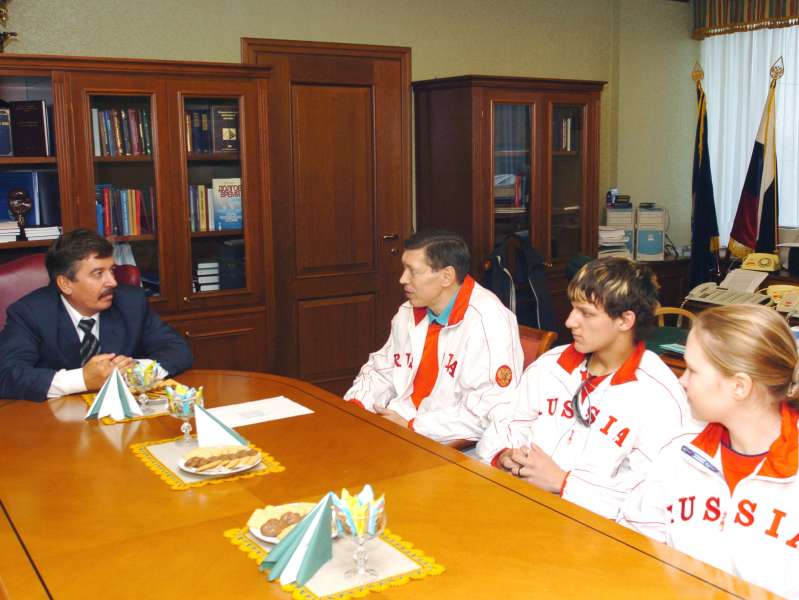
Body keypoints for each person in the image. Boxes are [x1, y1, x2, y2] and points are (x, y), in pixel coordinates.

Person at [476, 257, 693, 519]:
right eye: (573, 308)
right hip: (520, 503)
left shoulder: (658, 394)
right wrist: (504, 454)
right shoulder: (552, 365)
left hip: (592, 527)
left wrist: (563, 483)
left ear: (625, 320)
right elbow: (505, 424)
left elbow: (654, 498)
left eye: (586, 313)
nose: (570, 321)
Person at [620, 305, 799, 599]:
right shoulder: (680, 453)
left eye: (693, 370)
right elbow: (633, 546)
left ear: (739, 386)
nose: (682, 380)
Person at [344, 230, 523, 444]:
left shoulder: (488, 322)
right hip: (399, 428)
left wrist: (413, 427)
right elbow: (381, 371)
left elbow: (490, 410)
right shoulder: (408, 311)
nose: (402, 279)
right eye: (404, 269)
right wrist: (356, 406)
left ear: (446, 276)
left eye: (412, 271)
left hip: (447, 444)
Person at [0, 229, 192, 401]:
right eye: (98, 273)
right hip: (55, 418)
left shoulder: (130, 302)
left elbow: (177, 350)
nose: (112, 282)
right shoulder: (30, 313)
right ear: (65, 284)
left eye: (112, 270)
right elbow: (7, 375)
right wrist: (82, 379)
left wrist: (137, 371)